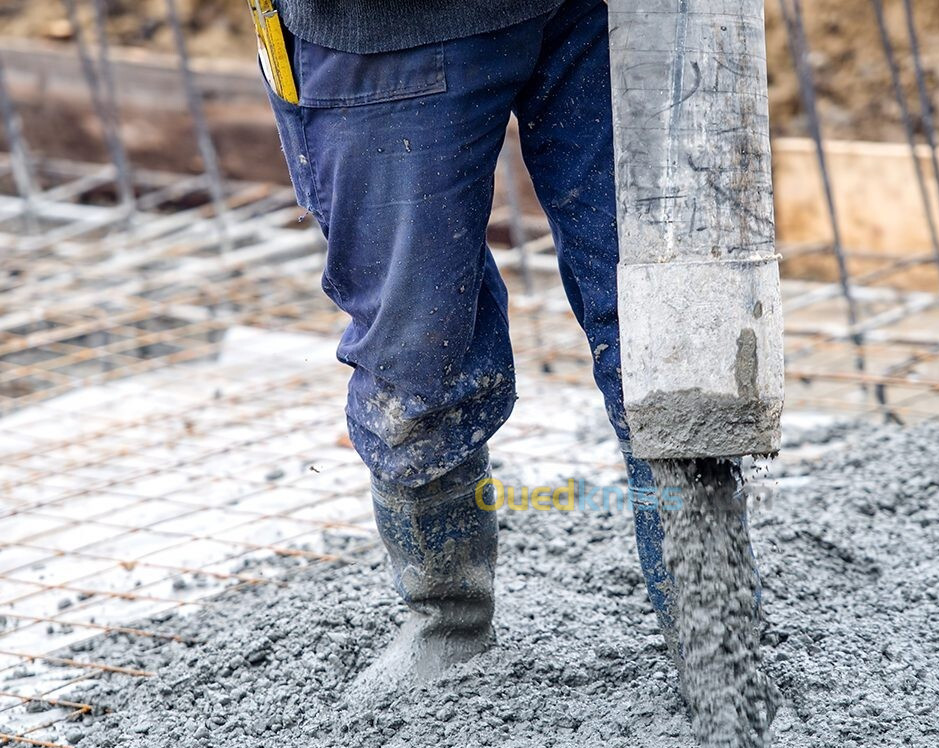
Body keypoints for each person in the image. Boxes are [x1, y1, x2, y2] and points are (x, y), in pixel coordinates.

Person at [257, 0, 683, 685]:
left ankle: (710, 626)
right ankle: (447, 621)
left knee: (667, 319)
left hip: (606, 13)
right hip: (388, 29)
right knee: (413, 343)